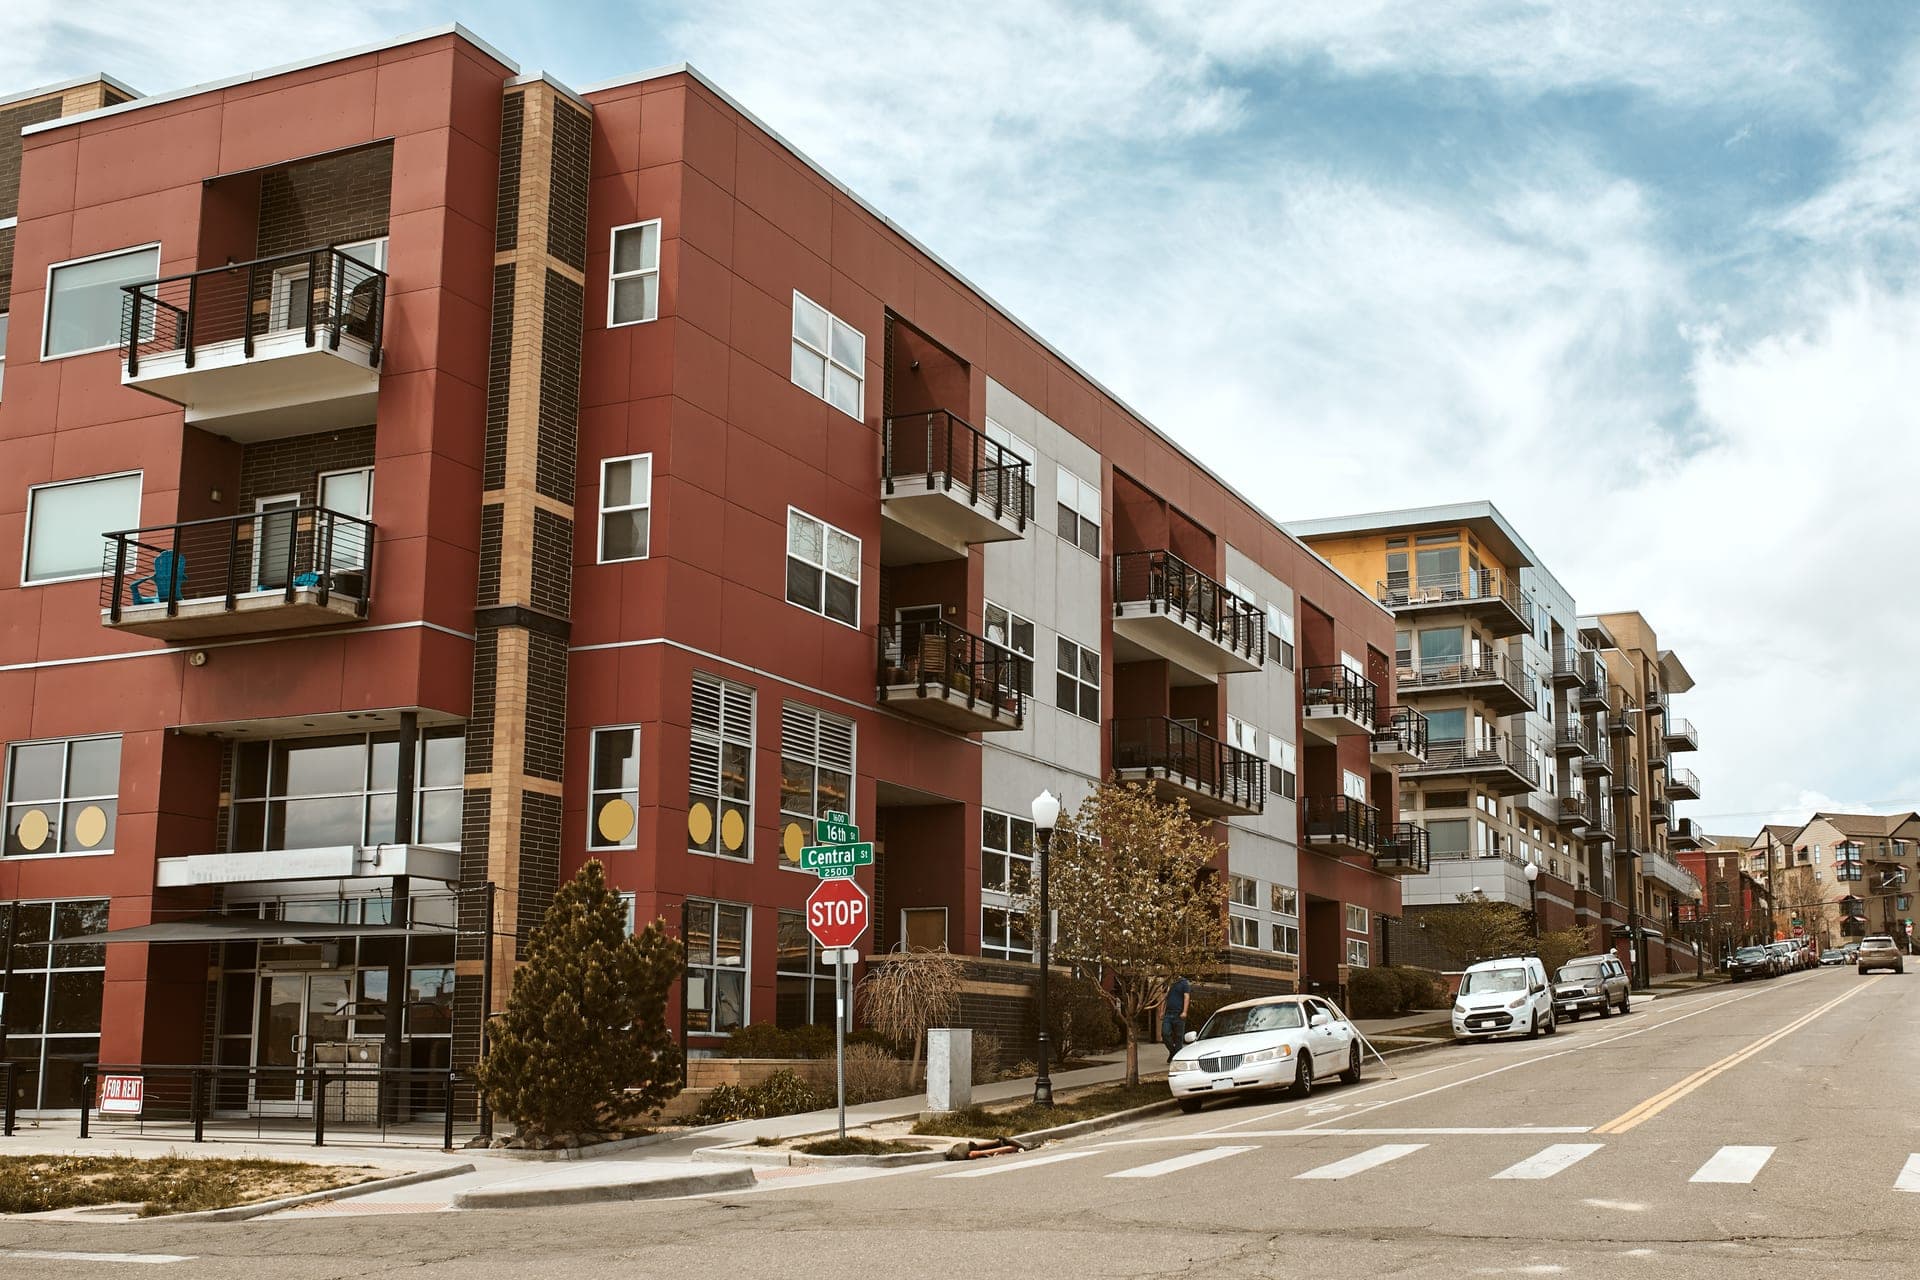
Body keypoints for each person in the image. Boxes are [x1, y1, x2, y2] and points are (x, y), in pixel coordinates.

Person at [1161, 975, 1192, 1058]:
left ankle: (1177, 1057)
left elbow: (1187, 997)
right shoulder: (1168, 983)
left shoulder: (1184, 983)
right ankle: (1173, 1051)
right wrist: (1161, 1011)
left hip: (1179, 1014)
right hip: (1168, 1014)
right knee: (1165, 1033)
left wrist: (1184, 1012)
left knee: (1179, 1038)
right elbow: (1164, 998)